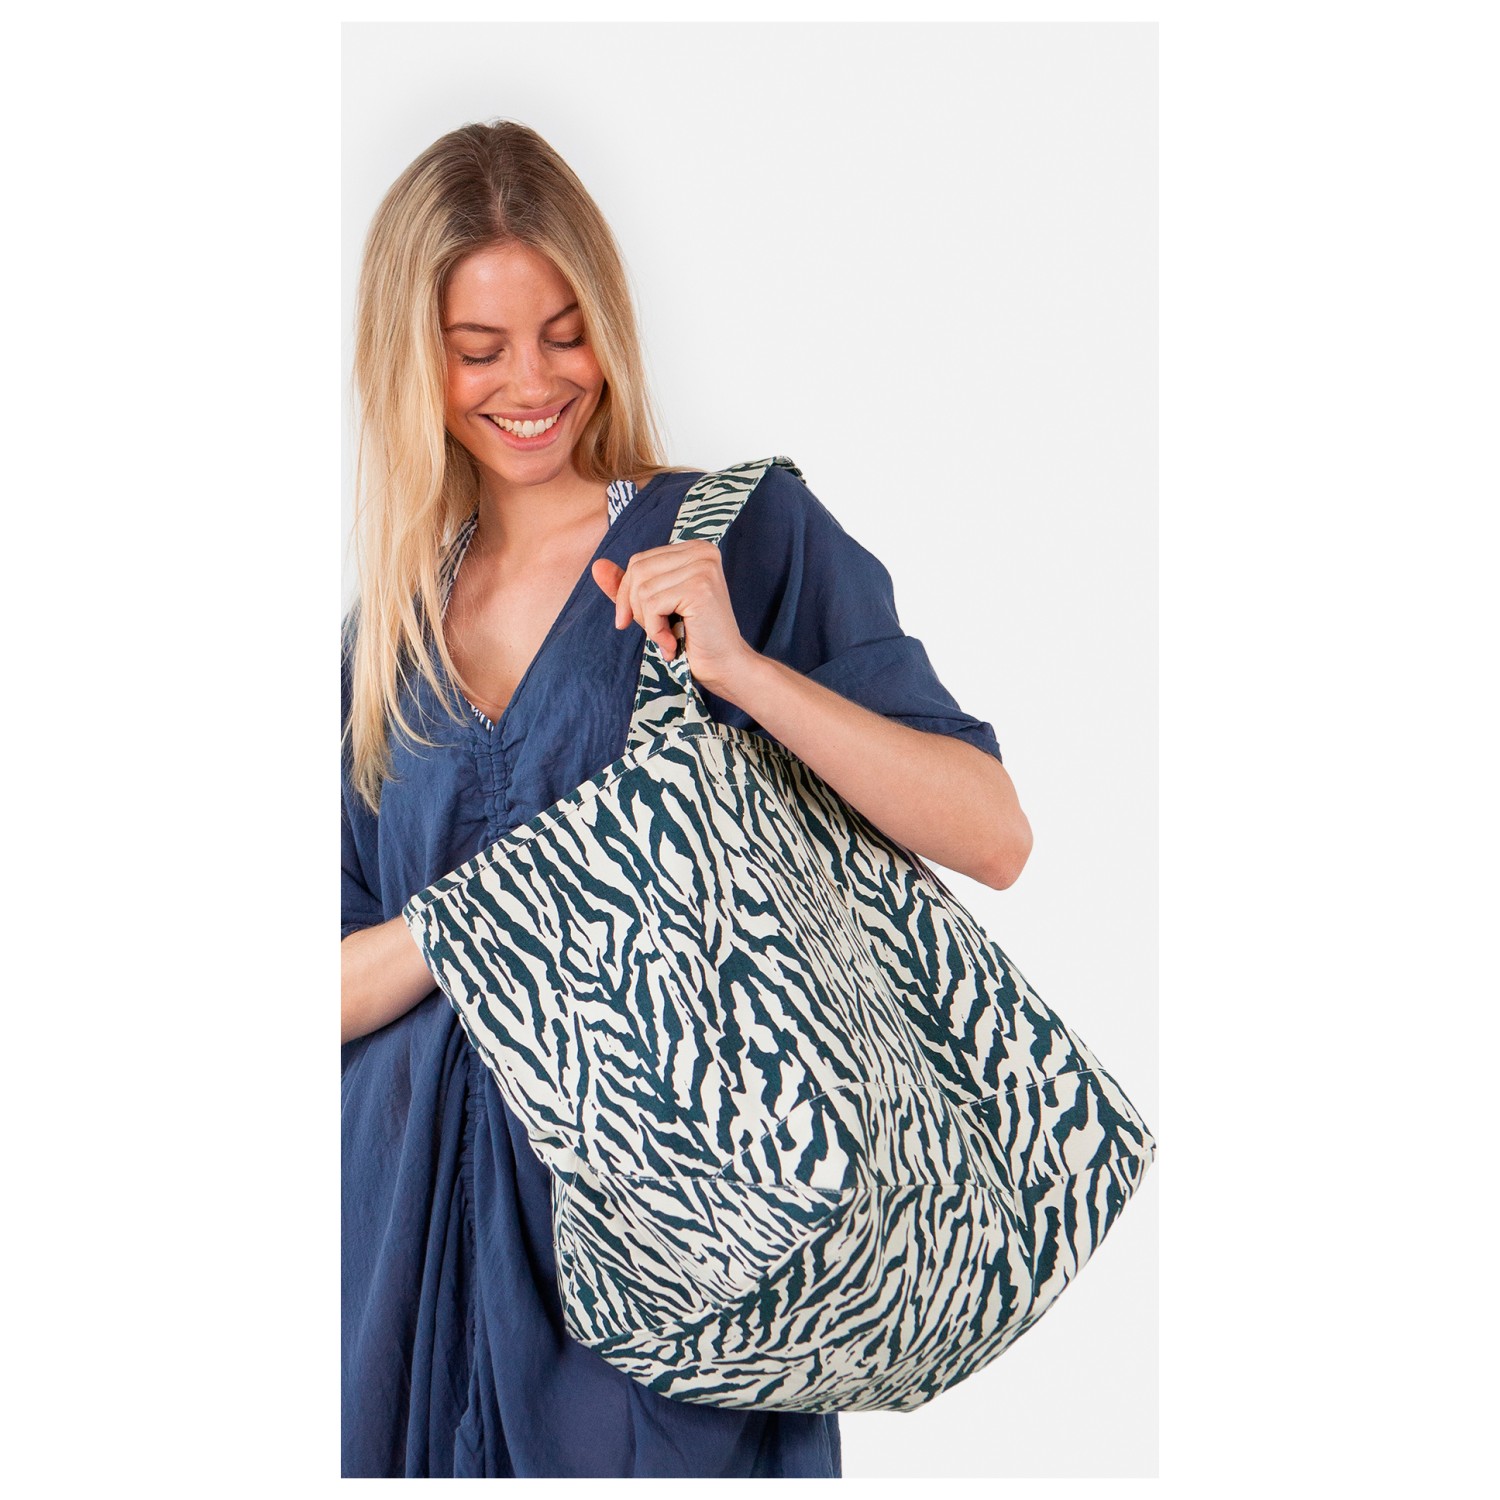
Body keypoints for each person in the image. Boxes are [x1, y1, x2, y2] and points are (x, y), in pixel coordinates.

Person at [340, 119, 1033, 1480]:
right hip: (401, 1272)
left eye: (566, 335)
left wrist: (745, 674)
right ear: (410, 360)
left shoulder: (734, 536)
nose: (532, 382)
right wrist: (487, 920)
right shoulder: (382, 645)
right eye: (479, 349)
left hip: (674, 1265)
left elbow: (993, 832)